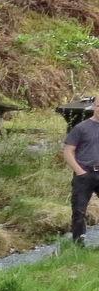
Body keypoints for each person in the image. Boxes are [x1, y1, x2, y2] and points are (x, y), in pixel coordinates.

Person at [66, 100, 99, 244]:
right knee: (79, 211)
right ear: (94, 107)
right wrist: (80, 171)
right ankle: (78, 244)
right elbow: (68, 151)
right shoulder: (81, 128)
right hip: (85, 174)